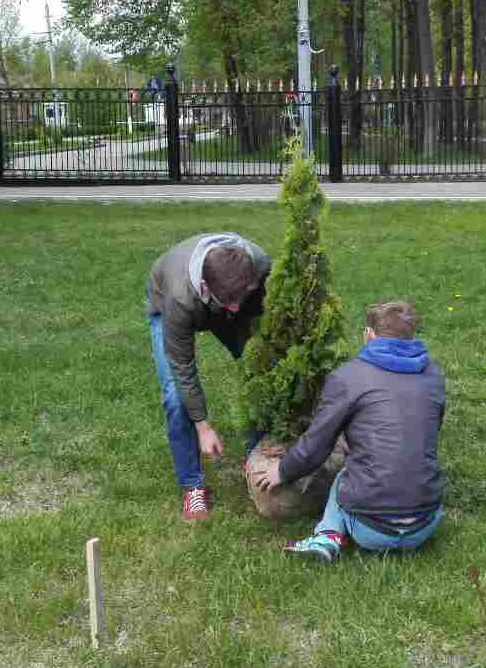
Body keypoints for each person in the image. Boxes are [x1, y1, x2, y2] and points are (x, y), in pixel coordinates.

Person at [255, 299, 445, 562]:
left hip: (371, 531)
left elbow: (317, 444)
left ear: (368, 335)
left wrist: (283, 470)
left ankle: (327, 535)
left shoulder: (349, 377)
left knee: (348, 472)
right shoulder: (433, 375)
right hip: (425, 524)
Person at [147, 233, 270, 520]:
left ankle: (254, 458)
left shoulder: (259, 265)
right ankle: (192, 486)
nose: (237, 308)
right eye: (230, 303)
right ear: (205, 287)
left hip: (226, 297)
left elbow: (256, 318)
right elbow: (183, 367)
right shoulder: (179, 298)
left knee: (260, 369)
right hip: (166, 305)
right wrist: (203, 427)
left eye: (241, 298)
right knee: (176, 398)